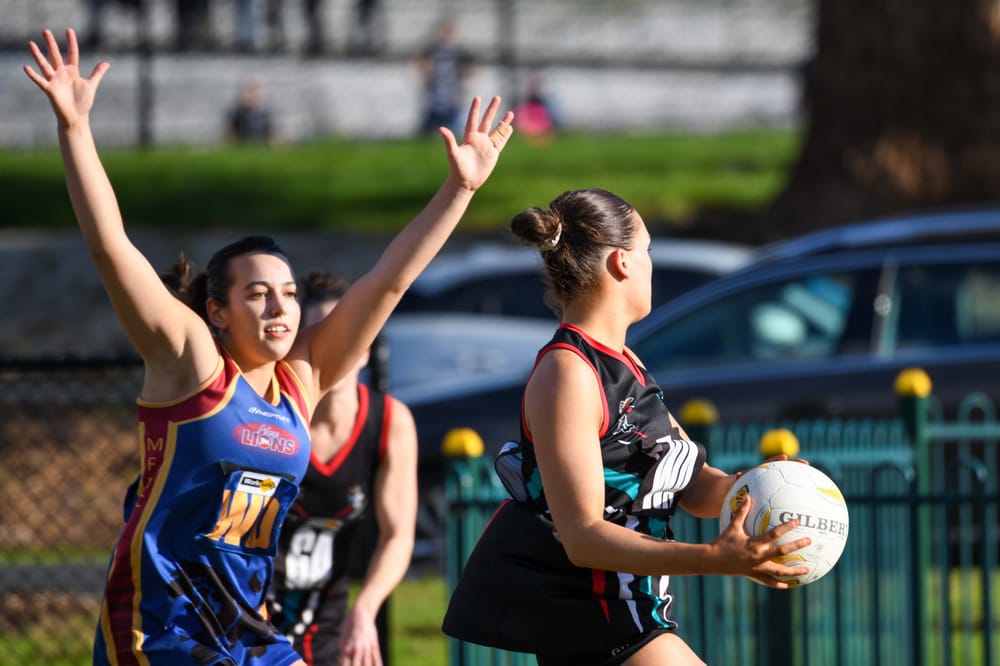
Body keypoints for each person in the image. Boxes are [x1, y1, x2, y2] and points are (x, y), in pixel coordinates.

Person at [23, 27, 513, 666]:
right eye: (257, 294)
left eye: (287, 292)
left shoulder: (300, 383)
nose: (280, 307)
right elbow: (111, 248)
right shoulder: (190, 363)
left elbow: (388, 282)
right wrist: (75, 129)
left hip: (248, 630)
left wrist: (459, 190)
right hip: (162, 631)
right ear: (217, 312)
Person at [442, 189, 811, 665]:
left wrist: (758, 487)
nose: (651, 264)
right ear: (621, 263)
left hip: (634, 621)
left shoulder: (624, 364)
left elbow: (694, 486)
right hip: (599, 632)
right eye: (648, 250)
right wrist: (711, 558)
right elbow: (583, 537)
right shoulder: (568, 373)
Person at [267, 271, 418, 665]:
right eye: (319, 337)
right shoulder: (268, 417)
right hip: (252, 619)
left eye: (345, 335)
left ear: (365, 349)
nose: (332, 349)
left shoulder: (389, 422)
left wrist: (365, 608)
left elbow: (398, 536)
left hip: (327, 627)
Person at [416, 20, 472, 136]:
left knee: (455, 128)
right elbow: (420, 64)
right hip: (435, 96)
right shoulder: (432, 51)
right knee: (428, 130)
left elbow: (470, 68)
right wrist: (426, 72)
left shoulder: (459, 53)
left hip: (453, 97)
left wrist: (463, 76)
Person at [226, 78, 278, 145]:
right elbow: (230, 135)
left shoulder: (265, 114)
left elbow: (272, 136)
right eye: (249, 91)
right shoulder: (237, 113)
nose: (251, 95)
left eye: (254, 91)